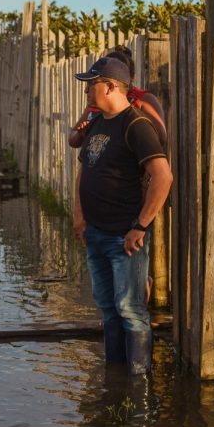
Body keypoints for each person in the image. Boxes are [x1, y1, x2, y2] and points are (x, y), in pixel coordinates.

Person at [72, 57, 173, 375]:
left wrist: (140, 226)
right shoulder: (98, 121)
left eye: (92, 85)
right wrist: (79, 214)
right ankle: (115, 378)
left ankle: (139, 383)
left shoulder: (136, 125)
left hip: (124, 236)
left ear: (111, 86)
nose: (87, 92)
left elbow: (163, 177)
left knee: (130, 310)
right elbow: (84, 168)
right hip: (95, 233)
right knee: (107, 308)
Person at [69, 45, 167, 149]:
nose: (86, 90)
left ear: (131, 76)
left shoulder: (143, 99)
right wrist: (81, 134)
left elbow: (160, 138)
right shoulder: (97, 102)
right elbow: (73, 139)